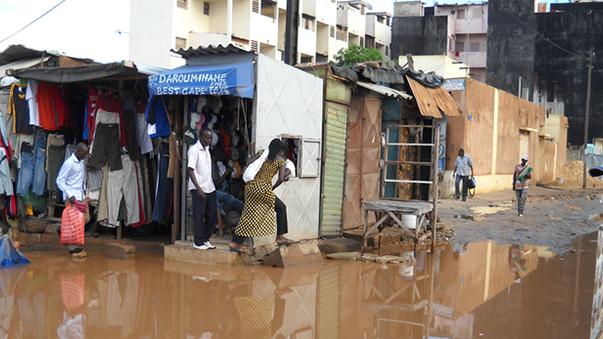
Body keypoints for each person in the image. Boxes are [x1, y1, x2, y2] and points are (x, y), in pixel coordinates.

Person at [229, 139, 288, 252]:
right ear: (280, 150)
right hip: (263, 188)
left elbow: (248, 161)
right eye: (282, 151)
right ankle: (280, 237)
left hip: (251, 187)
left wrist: (251, 150)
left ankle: (235, 243)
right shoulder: (281, 161)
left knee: (248, 216)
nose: (282, 153)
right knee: (281, 208)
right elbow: (281, 179)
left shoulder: (262, 153)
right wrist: (274, 187)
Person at [56, 143, 89, 258]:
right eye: (84, 154)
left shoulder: (81, 162)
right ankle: (73, 247)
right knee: (74, 223)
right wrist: (70, 195)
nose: (86, 156)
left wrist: (85, 194)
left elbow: (80, 180)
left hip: (80, 196)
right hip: (72, 198)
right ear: (78, 152)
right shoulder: (69, 163)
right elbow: (60, 181)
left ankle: (62, 228)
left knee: (85, 219)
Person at [188, 129, 218, 250]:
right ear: (200, 136)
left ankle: (205, 239)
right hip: (198, 188)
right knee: (199, 216)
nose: (208, 140)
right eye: (206, 138)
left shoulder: (207, 150)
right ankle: (198, 242)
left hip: (210, 187)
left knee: (212, 216)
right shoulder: (194, 150)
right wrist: (198, 188)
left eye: (210, 138)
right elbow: (190, 169)